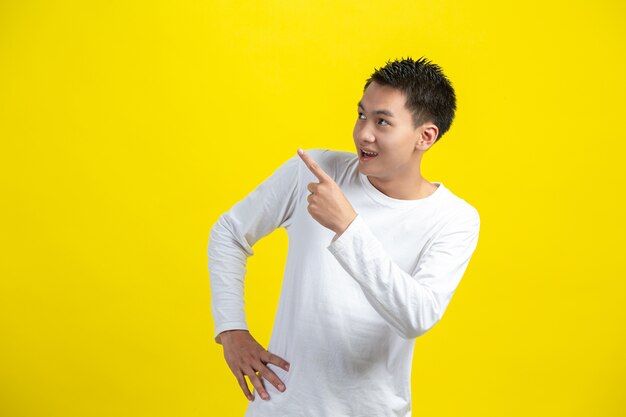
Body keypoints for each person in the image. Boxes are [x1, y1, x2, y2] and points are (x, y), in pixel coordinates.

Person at [207, 56, 481, 417]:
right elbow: (228, 232)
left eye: (382, 121)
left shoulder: (454, 218)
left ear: (425, 136)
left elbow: (417, 315)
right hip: (282, 407)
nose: (363, 133)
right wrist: (231, 330)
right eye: (361, 114)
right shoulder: (316, 172)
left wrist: (348, 226)